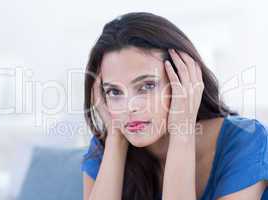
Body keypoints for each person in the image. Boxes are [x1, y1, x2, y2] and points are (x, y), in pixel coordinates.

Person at [81, 12, 268, 200]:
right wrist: (115, 141)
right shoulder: (104, 149)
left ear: (184, 80)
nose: (130, 107)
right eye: (114, 92)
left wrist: (182, 132)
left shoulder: (246, 141)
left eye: (147, 86)